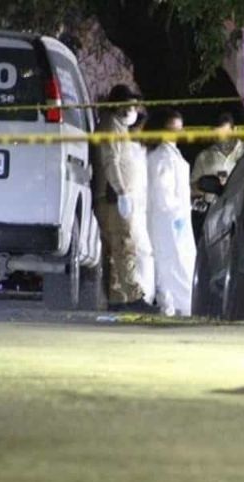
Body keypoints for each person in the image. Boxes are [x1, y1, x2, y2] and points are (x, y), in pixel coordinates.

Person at [92, 84, 156, 313]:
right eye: (130, 105)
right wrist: (121, 191)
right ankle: (133, 296)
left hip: (112, 196)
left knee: (115, 249)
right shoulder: (111, 126)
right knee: (124, 246)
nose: (134, 110)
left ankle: (118, 298)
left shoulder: (116, 125)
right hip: (112, 197)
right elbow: (111, 161)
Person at [147, 109, 196, 317]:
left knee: (178, 260)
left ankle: (176, 303)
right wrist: (175, 212)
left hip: (176, 217)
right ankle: (175, 303)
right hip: (168, 219)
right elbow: (162, 192)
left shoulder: (172, 154)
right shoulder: (161, 157)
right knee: (173, 259)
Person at [190, 112, 244, 242]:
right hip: (213, 217)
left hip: (241, 214)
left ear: (234, 130)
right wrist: (202, 185)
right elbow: (192, 189)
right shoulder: (204, 157)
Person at [126, 111, 155, 305]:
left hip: (143, 209)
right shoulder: (128, 148)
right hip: (132, 208)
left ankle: (145, 294)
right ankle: (140, 294)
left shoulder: (144, 152)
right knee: (139, 252)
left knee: (144, 252)